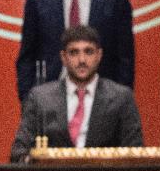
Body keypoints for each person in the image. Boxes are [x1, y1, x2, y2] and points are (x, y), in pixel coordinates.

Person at [10, 25, 144, 162]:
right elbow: (18, 153)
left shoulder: (121, 98)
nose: (82, 60)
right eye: (74, 52)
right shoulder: (40, 98)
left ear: (99, 55)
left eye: (89, 52)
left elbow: (136, 155)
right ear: (63, 57)